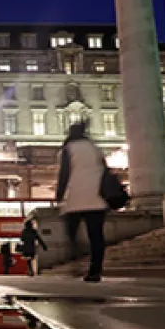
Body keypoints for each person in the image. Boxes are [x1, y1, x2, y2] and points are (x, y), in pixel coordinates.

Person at [55, 121, 109, 283]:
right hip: (98, 196)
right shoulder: (94, 148)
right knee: (97, 235)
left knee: (71, 230)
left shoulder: (68, 149)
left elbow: (64, 173)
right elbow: (105, 169)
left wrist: (59, 195)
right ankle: (95, 271)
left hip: (77, 196)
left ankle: (76, 256)